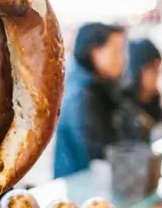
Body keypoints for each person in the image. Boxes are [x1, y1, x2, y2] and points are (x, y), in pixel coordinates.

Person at [53, 23, 126, 178]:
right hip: (79, 189)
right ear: (95, 52)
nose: (122, 60)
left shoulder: (100, 87)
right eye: (116, 52)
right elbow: (97, 154)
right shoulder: (82, 95)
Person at [113, 39, 162, 143]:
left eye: (158, 69)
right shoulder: (123, 102)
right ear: (138, 71)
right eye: (151, 70)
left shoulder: (155, 99)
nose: (156, 76)